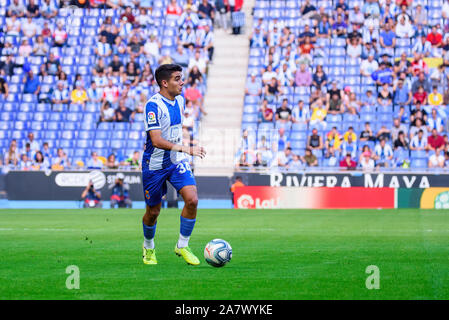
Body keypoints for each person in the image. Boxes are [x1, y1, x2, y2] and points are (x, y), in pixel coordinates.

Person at [141, 64, 206, 266]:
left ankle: (182, 245)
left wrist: (182, 150)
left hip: (177, 161)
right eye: (177, 79)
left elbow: (174, 129)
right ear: (164, 83)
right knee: (153, 212)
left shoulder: (180, 100)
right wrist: (186, 148)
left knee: (192, 200)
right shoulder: (153, 106)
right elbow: (157, 140)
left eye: (181, 78)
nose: (182, 82)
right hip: (155, 164)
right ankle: (148, 247)